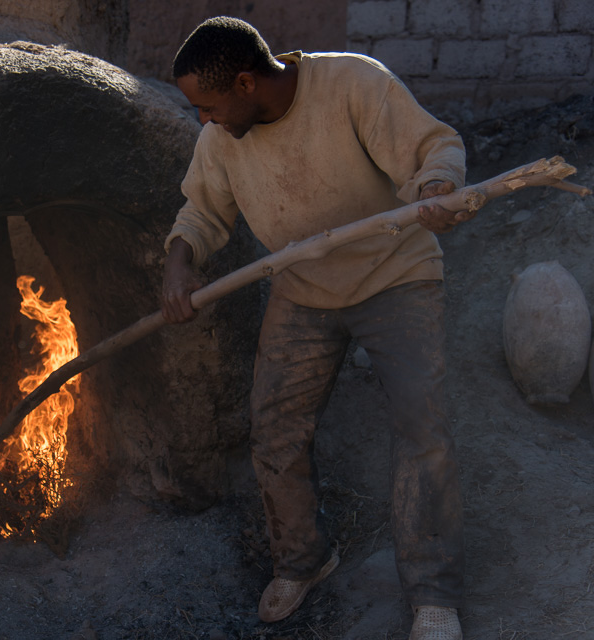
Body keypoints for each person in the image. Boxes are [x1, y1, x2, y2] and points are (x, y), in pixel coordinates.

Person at [159, 17, 467, 640]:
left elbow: (436, 147)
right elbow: (200, 212)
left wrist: (436, 188)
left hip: (397, 275)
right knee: (274, 431)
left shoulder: (354, 84)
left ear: (246, 83)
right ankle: (303, 560)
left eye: (208, 106)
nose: (203, 120)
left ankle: (433, 594)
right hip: (304, 289)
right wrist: (179, 263)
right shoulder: (223, 137)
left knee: (421, 432)